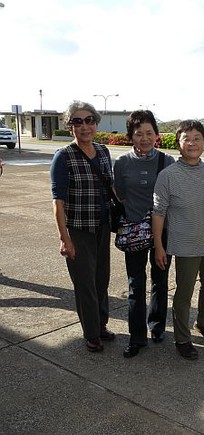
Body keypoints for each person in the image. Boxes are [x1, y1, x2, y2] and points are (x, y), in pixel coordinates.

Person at [152, 120, 204, 360]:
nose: (192, 143)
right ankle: (182, 339)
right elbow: (159, 213)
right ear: (178, 143)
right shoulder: (168, 175)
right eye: (187, 138)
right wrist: (159, 246)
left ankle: (203, 323)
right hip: (184, 245)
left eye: (197, 138)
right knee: (184, 294)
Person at [50, 101, 116, 353]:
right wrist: (64, 238)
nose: (84, 126)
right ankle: (91, 333)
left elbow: (110, 188)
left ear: (96, 123)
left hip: (101, 226)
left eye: (89, 120)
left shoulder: (103, 151)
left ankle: (101, 325)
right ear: (70, 127)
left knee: (101, 280)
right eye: (77, 121)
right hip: (78, 230)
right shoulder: (63, 156)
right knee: (85, 283)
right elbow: (58, 202)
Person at [113, 110, 175, 358]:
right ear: (131, 136)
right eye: (139, 133)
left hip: (163, 230)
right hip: (134, 230)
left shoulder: (167, 161)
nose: (144, 138)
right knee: (134, 284)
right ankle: (136, 337)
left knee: (160, 280)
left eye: (149, 133)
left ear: (156, 135)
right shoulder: (122, 163)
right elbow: (118, 192)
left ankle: (157, 326)